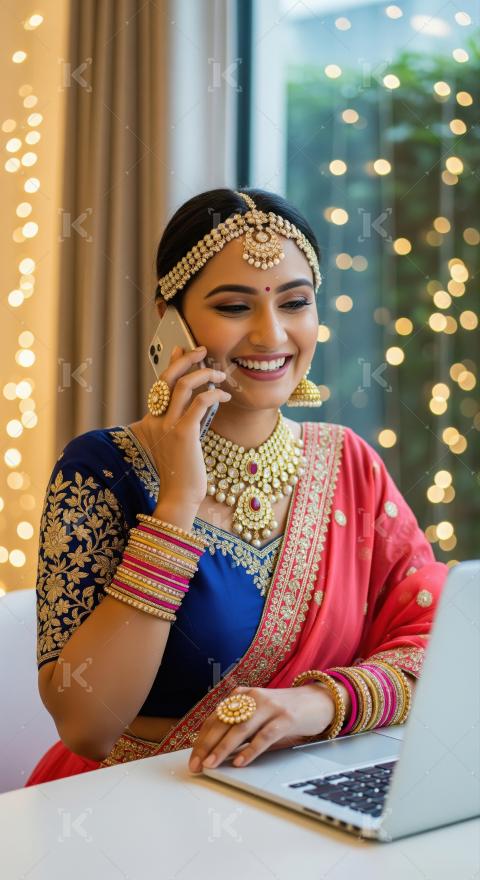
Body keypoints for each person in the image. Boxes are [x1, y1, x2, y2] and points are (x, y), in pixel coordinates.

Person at [25, 188, 447, 786]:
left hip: (300, 791)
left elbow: (439, 643)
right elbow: (88, 725)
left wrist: (318, 702)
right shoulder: (101, 468)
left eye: (296, 302)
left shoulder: (348, 464)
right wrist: (177, 504)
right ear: (170, 318)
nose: (271, 334)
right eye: (233, 307)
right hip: (132, 805)